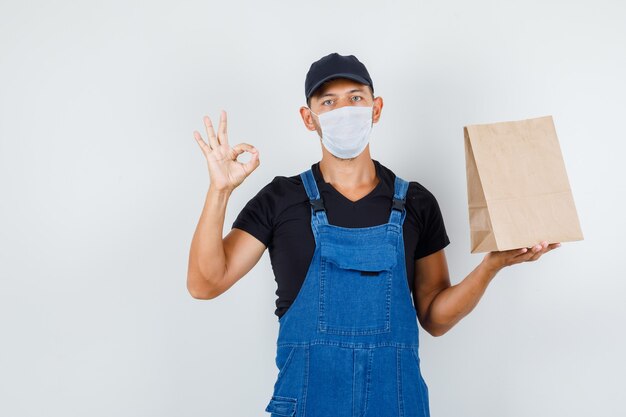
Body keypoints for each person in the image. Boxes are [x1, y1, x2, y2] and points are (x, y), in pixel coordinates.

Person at [187, 52, 560, 417]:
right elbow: (205, 283)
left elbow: (434, 317)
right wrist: (219, 190)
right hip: (307, 405)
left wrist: (490, 266)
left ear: (375, 108)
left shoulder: (416, 202)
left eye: (355, 98)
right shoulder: (281, 199)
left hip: (395, 405)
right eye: (328, 102)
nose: (344, 111)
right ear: (309, 118)